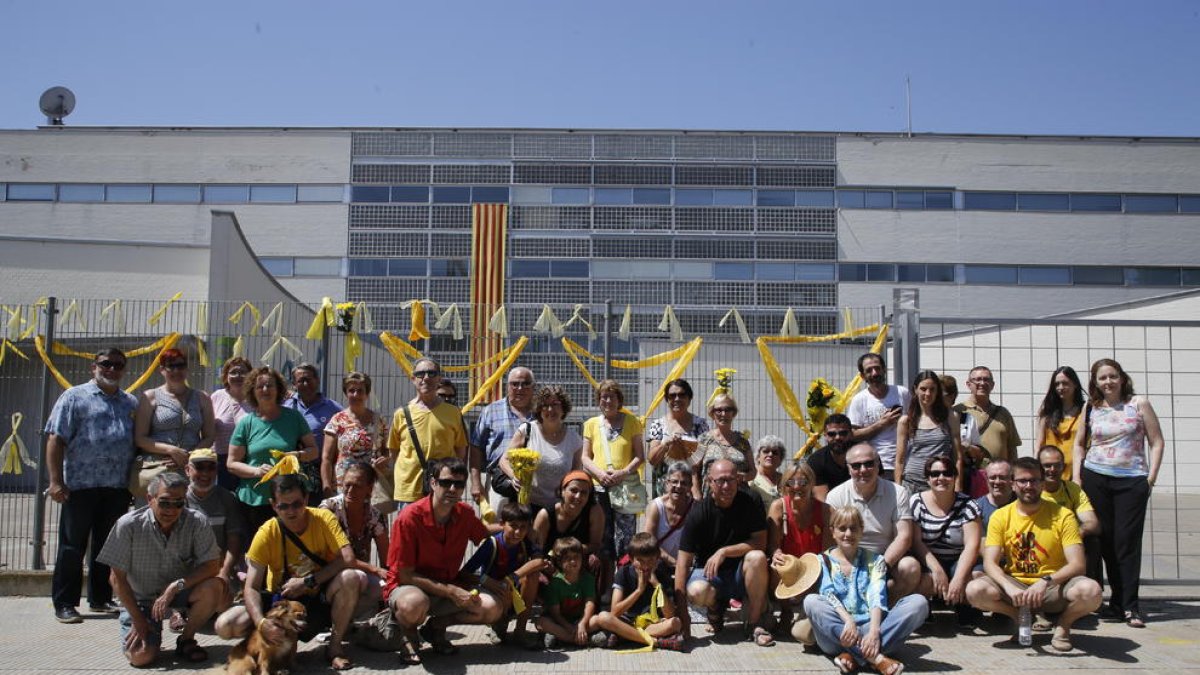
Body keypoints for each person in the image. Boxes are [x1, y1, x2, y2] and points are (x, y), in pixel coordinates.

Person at [215, 474, 367, 671]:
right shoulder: (267, 532)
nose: (291, 511)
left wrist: (308, 582)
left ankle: (335, 647)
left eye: (296, 504)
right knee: (225, 625)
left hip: (317, 599)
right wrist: (261, 622)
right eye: (283, 506)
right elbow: (251, 587)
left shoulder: (323, 518)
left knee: (351, 577)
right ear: (273, 505)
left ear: (306, 499)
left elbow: (348, 558)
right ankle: (265, 648)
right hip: (281, 607)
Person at [966, 458, 1102, 652]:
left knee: (1091, 592)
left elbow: (1078, 564)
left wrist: (1045, 582)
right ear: (1013, 484)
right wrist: (1008, 586)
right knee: (975, 590)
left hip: (1053, 587)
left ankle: (1063, 625)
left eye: (1034, 480)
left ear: (1043, 484)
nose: (1028, 486)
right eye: (1022, 481)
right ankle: (1020, 618)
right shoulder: (1001, 516)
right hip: (1016, 586)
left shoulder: (1063, 515)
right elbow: (990, 563)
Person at [45, 347, 138, 624]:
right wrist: (55, 481)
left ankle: (100, 598)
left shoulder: (130, 403)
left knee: (106, 546)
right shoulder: (74, 397)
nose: (112, 369)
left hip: (116, 487)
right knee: (72, 546)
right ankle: (64, 603)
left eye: (118, 365)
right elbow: (55, 439)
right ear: (94, 367)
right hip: (79, 486)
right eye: (106, 364)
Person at [385, 457, 505, 663]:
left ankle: (436, 628)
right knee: (413, 604)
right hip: (411, 588)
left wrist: (513, 527)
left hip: (447, 585)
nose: (452, 489)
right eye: (445, 482)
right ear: (433, 483)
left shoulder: (465, 513)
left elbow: (483, 533)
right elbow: (405, 576)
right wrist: (451, 591)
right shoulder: (409, 518)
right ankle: (408, 636)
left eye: (459, 484)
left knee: (492, 607)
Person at [97, 472, 224, 666]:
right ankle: (151, 637)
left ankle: (186, 639)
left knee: (214, 586)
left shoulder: (197, 521)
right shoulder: (128, 525)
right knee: (140, 657)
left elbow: (212, 566)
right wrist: (138, 620)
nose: (171, 509)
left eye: (178, 503)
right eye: (164, 502)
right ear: (150, 499)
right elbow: (116, 579)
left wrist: (175, 586)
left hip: (179, 591)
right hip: (141, 599)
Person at [1074, 358, 1163, 627]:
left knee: (1127, 543)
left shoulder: (1138, 404)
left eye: (1112, 376)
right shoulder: (1091, 407)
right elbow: (1079, 444)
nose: (1108, 382)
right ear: (1095, 382)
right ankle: (1115, 604)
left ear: (1122, 378)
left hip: (1131, 481)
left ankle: (1130, 606)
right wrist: (1078, 477)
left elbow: (1156, 442)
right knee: (1106, 542)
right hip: (1096, 478)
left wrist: (1150, 479)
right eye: (1102, 378)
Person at [803, 506, 929, 675]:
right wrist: (848, 621)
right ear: (833, 532)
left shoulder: (876, 560)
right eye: (842, 528)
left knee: (918, 603)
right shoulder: (823, 560)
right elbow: (828, 594)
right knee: (812, 601)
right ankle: (876, 659)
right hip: (840, 633)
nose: (848, 534)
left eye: (853, 528)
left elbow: (877, 596)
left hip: (873, 630)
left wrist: (874, 631)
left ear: (861, 531)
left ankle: (852, 656)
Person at [675, 459, 773, 647]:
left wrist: (724, 552)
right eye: (720, 481)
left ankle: (754, 624)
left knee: (757, 557)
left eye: (731, 480)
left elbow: (760, 543)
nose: (726, 486)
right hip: (710, 575)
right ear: (709, 482)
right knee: (696, 591)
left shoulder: (751, 501)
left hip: (742, 574)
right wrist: (683, 615)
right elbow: (682, 563)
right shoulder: (699, 512)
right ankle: (715, 609)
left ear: (738, 480)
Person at [226, 366, 319, 533]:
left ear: (278, 389)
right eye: (260, 386)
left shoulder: (294, 417)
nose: (265, 390)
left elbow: (313, 451)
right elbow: (232, 464)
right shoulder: (246, 423)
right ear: (252, 391)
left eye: (270, 385)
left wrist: (297, 455)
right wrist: (256, 471)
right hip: (255, 500)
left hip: (289, 501)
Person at [824, 443, 922, 599]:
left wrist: (880, 566)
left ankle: (886, 604)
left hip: (886, 558)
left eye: (869, 464)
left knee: (910, 568)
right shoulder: (836, 496)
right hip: (849, 558)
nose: (863, 470)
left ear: (878, 465)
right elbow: (833, 539)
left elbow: (904, 537)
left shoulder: (898, 492)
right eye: (856, 466)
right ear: (849, 469)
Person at [910, 455, 983, 626]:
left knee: (973, 577)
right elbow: (916, 542)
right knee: (922, 578)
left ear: (955, 477)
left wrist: (958, 579)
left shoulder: (968, 505)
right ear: (927, 479)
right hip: (929, 559)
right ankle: (923, 606)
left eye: (947, 473)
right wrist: (937, 570)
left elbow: (971, 546)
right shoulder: (916, 502)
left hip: (959, 558)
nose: (941, 478)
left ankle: (964, 605)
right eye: (935, 474)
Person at [461, 501, 545, 648]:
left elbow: (539, 561)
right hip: (494, 592)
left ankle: (520, 631)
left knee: (532, 576)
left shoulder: (525, 542)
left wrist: (512, 577)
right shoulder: (491, 544)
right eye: (513, 526)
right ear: (502, 524)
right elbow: (464, 573)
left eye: (523, 527)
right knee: (504, 589)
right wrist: (485, 580)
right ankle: (498, 626)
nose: (518, 532)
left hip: (512, 589)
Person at [388, 358, 468, 510]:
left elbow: (460, 451)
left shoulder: (453, 413)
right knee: (409, 526)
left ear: (439, 378)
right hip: (409, 490)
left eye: (431, 373)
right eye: (420, 374)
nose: (426, 378)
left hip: (443, 488)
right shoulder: (401, 414)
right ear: (413, 379)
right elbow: (394, 452)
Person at [581, 379, 646, 566]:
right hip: (599, 488)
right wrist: (600, 474)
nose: (607, 401)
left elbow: (640, 456)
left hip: (625, 488)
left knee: (626, 538)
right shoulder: (591, 424)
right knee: (603, 538)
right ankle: (605, 580)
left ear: (619, 400)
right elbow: (585, 457)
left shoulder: (632, 422)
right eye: (604, 397)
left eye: (612, 397)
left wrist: (623, 472)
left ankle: (624, 574)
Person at [133, 348, 216, 493]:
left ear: (187, 369)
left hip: (191, 467)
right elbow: (140, 438)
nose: (176, 370)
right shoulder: (150, 397)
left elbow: (209, 436)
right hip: (157, 466)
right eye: (171, 366)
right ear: (162, 370)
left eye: (181, 365)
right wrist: (171, 450)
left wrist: (189, 456)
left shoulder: (202, 397)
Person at [1038, 445, 1100, 632]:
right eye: (1047, 465)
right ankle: (1038, 609)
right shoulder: (1032, 489)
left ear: (1063, 467)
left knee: (1093, 541)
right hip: (1039, 543)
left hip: (1067, 543)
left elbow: (1093, 522)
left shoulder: (1072, 490)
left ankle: (1080, 599)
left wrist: (1077, 533)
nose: (1052, 470)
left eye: (1057, 465)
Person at [767, 462, 831, 638]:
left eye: (803, 482)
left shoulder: (825, 510)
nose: (797, 487)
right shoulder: (778, 507)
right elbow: (773, 545)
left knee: (805, 634)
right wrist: (776, 554)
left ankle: (810, 611)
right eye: (790, 482)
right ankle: (785, 612)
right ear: (784, 485)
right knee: (776, 566)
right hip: (789, 568)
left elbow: (827, 551)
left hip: (815, 567)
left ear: (812, 483)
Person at [498, 385, 583, 514]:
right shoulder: (527, 431)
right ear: (539, 409)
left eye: (555, 404)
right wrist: (514, 477)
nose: (550, 409)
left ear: (563, 408)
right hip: (528, 506)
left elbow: (576, 476)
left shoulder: (574, 439)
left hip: (559, 508)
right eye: (545, 405)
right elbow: (504, 460)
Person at [182, 449, 245, 619]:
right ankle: (178, 610)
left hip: (216, 567)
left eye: (210, 468)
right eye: (199, 467)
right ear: (187, 470)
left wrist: (225, 572)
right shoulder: (178, 498)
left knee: (222, 602)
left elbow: (234, 540)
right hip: (185, 569)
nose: (205, 473)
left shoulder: (227, 498)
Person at [596, 532, 685, 651]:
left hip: (651, 624)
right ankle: (656, 642)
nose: (646, 566)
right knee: (603, 617)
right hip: (628, 622)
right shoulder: (624, 573)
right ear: (631, 559)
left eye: (650, 560)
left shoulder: (662, 574)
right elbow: (615, 611)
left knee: (676, 623)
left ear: (657, 558)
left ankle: (626, 636)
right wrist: (639, 590)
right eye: (640, 561)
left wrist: (657, 586)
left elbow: (670, 615)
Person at [469, 367, 537, 509]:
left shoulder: (541, 413)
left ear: (533, 387)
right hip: (499, 482)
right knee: (497, 522)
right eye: (515, 384)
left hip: (535, 483)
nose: (520, 388)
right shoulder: (490, 411)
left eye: (525, 384)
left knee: (532, 522)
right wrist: (475, 482)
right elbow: (476, 448)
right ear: (507, 386)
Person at [318, 461, 389, 596]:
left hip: (362, 575)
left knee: (386, 587)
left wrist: (387, 576)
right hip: (328, 574)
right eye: (347, 485)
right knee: (355, 578)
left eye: (357, 486)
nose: (350, 491)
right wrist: (375, 569)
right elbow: (339, 557)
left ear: (369, 489)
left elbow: (385, 559)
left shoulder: (375, 516)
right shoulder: (329, 509)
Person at [320, 371, 389, 499]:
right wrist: (326, 487)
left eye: (360, 391)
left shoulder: (379, 420)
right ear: (346, 393)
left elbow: (388, 450)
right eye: (351, 390)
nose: (356, 395)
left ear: (367, 394)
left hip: (373, 486)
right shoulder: (337, 420)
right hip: (345, 486)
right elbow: (326, 458)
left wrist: (385, 459)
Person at [894, 370, 963, 494]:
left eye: (932, 389)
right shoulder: (906, 421)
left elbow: (957, 456)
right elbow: (899, 460)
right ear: (915, 389)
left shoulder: (950, 417)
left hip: (941, 482)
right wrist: (898, 489)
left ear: (937, 392)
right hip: (911, 484)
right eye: (923, 389)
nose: (928, 393)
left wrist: (957, 486)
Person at [284, 363, 342, 504]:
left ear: (317, 380)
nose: (305, 384)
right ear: (294, 384)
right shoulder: (286, 407)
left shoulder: (333, 408)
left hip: (321, 472)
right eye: (301, 381)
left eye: (309, 379)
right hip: (291, 471)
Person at [847, 352, 910, 481]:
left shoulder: (902, 393)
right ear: (862, 376)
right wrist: (881, 424)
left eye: (877, 368)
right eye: (869, 370)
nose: (875, 373)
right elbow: (853, 434)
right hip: (877, 465)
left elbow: (915, 422)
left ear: (884, 369)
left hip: (906, 462)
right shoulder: (859, 400)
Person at [533, 471, 607, 580]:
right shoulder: (545, 515)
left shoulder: (594, 511)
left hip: (577, 561)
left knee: (594, 561)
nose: (578, 496)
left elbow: (595, 544)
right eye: (573, 490)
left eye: (584, 493)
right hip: (550, 562)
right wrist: (547, 564)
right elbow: (536, 550)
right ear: (562, 491)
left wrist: (569, 551)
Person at [645, 378, 709, 496]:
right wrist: (665, 445)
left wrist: (685, 449)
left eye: (682, 395)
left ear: (689, 398)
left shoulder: (700, 424)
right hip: (664, 491)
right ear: (667, 399)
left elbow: (705, 459)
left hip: (692, 489)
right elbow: (652, 460)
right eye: (672, 396)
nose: (677, 399)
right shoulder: (658, 425)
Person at [535, 536, 601, 650]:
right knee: (540, 622)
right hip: (561, 622)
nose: (573, 561)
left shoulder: (588, 579)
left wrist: (582, 624)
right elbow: (556, 614)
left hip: (582, 620)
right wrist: (569, 627)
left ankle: (563, 638)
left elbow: (589, 604)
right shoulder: (555, 583)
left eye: (576, 557)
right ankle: (584, 639)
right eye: (568, 558)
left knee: (600, 619)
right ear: (559, 562)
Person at [689, 392, 754, 499]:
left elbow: (753, 471)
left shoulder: (742, 441)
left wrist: (744, 477)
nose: (723, 414)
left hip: (740, 499)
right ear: (712, 413)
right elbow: (694, 470)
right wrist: (696, 494)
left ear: (733, 413)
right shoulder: (704, 439)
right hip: (711, 499)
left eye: (728, 409)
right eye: (719, 410)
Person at [955, 366, 1021, 464]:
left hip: (999, 472)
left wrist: (1013, 470)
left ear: (992, 385)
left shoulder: (1003, 413)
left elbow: (1012, 447)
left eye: (986, 379)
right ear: (968, 384)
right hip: (970, 471)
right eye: (977, 379)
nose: (982, 383)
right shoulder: (958, 411)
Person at [1035, 366, 1086, 482]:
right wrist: (1037, 471)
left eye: (1065, 383)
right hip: (1050, 472)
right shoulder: (1047, 412)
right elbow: (1039, 445)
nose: (1060, 387)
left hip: (1076, 472)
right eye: (1057, 384)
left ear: (1075, 384)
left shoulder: (1084, 411)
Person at [210, 356, 253, 490]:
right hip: (220, 461)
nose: (238, 376)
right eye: (233, 372)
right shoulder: (217, 396)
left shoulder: (255, 398)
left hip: (248, 461)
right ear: (226, 376)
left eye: (242, 372)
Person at [643, 461, 695, 567]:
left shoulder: (695, 508)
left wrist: (683, 565)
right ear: (667, 483)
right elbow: (648, 540)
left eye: (684, 483)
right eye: (674, 482)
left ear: (690, 486)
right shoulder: (656, 507)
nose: (678, 486)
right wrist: (672, 561)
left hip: (686, 566)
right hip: (657, 564)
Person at [942, 374, 986, 497]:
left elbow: (979, 453)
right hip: (935, 474)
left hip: (962, 475)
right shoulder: (927, 419)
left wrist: (966, 448)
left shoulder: (965, 418)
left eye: (941, 394)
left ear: (952, 396)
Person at [807, 413, 854, 501]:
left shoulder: (866, 455)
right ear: (825, 435)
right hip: (831, 507)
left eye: (843, 433)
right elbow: (822, 501)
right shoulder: (816, 461)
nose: (837, 437)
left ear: (851, 434)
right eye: (832, 434)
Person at [974, 459, 1015, 532]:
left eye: (1002, 477)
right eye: (992, 478)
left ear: (1011, 479)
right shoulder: (977, 508)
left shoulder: (1022, 503)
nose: (997, 482)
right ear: (986, 479)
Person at [749, 435, 786, 511]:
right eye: (766, 451)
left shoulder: (785, 480)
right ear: (758, 456)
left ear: (780, 459)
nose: (770, 454)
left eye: (775, 452)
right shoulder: (750, 478)